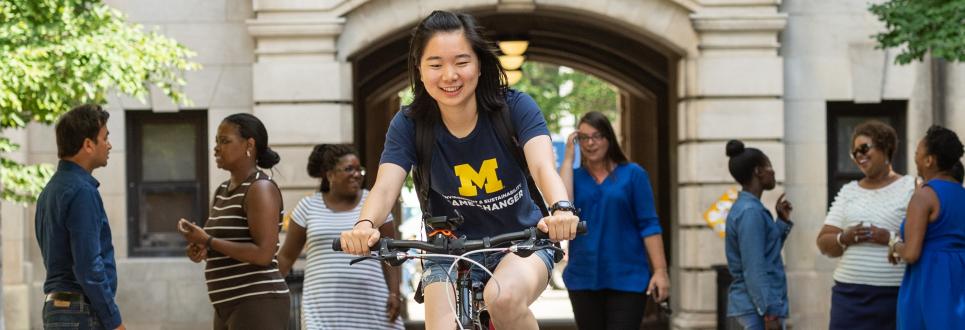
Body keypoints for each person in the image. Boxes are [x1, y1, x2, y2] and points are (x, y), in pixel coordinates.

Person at [338, 10, 579, 330]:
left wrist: (560, 208)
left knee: (503, 298)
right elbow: (385, 187)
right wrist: (365, 224)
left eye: (461, 62)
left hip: (520, 244)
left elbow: (541, 166)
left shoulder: (515, 107)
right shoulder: (409, 124)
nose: (449, 75)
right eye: (436, 64)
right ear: (420, 70)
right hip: (445, 250)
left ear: (479, 65)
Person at [558, 111, 669, 329]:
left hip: (628, 278)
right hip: (583, 277)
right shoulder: (575, 178)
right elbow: (563, 207)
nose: (591, 143)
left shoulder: (633, 174)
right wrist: (569, 157)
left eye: (597, 136)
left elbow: (649, 224)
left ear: (609, 138)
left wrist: (660, 271)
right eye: (584, 138)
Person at [178, 113, 290, 330]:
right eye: (216, 142)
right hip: (226, 305)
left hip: (257, 301)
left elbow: (263, 254)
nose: (216, 148)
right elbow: (228, 247)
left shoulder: (260, 188)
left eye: (225, 141)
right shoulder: (221, 191)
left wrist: (209, 240)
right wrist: (201, 250)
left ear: (249, 145)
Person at [277, 144, 404, 329]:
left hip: (371, 307)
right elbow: (286, 258)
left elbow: (392, 254)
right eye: (348, 169)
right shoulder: (308, 207)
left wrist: (394, 293)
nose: (356, 174)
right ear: (329, 175)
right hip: (321, 312)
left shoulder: (375, 205)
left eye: (359, 169)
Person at [814, 121, 913, 330]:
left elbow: (921, 243)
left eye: (864, 148)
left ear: (885, 148)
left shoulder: (910, 188)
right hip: (849, 297)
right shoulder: (849, 191)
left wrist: (889, 238)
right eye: (854, 152)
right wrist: (844, 238)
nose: (859, 155)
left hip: (893, 296)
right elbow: (823, 242)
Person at [35, 104, 125, 330]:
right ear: (88, 144)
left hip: (58, 310)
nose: (109, 145)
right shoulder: (82, 191)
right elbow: (88, 266)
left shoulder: (50, 191)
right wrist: (114, 321)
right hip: (79, 313)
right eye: (105, 138)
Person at [888, 125, 965, 329]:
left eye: (917, 153)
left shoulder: (923, 196)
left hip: (929, 280)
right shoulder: (961, 194)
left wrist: (893, 245)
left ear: (929, 160)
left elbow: (912, 253)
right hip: (959, 278)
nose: (915, 158)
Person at [723, 140, 793, 330]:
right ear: (758, 171)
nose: (773, 172)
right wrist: (769, 313)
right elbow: (754, 267)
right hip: (756, 312)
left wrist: (782, 222)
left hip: (757, 308)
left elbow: (767, 253)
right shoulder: (750, 212)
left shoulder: (751, 209)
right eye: (769, 166)